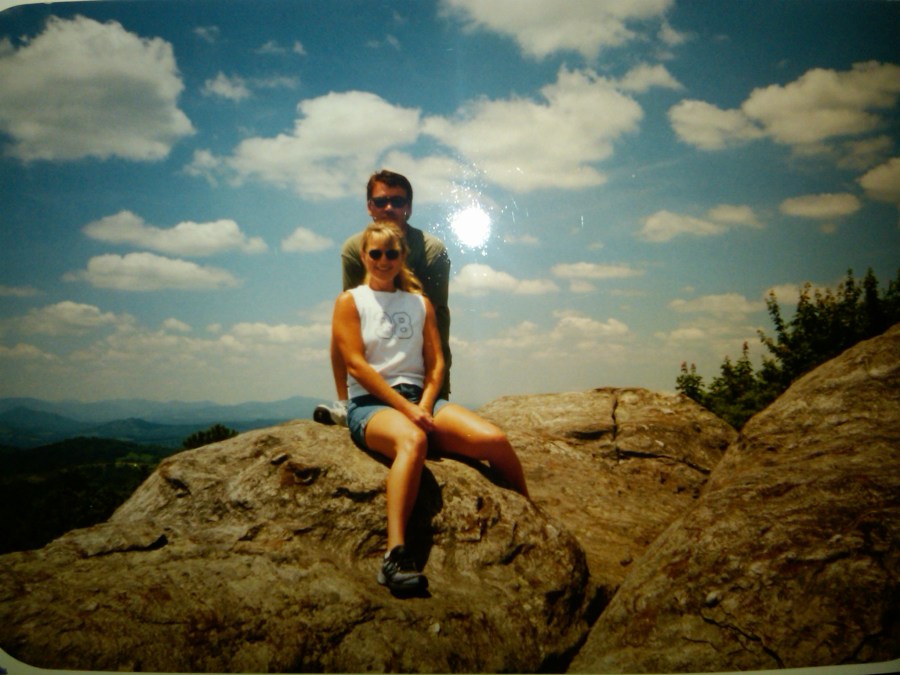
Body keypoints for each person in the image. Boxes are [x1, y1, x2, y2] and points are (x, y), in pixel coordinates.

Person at [331, 220, 529, 595]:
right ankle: (395, 555)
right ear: (364, 256)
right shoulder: (350, 302)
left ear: (403, 256)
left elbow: (435, 364)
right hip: (372, 403)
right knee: (413, 442)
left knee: (495, 440)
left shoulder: (420, 304)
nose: (384, 260)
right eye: (376, 253)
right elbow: (356, 365)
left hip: (422, 400)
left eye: (392, 253)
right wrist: (409, 413)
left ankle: (531, 516)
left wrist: (422, 406)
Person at [315, 170, 451, 426]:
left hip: (414, 329)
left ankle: (433, 401)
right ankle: (345, 403)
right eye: (380, 201)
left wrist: (432, 395)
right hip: (376, 327)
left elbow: (435, 316)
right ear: (370, 207)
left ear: (408, 207)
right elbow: (353, 311)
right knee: (341, 326)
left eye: (397, 201)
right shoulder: (354, 248)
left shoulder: (431, 249)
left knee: (431, 327)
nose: (389, 208)